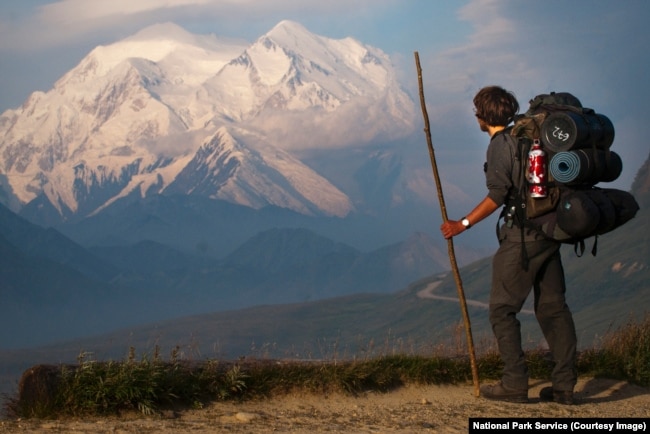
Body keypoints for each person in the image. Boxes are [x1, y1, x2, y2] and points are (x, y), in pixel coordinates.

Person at [440, 86, 577, 405]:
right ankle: (564, 386)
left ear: (482, 116)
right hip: (551, 229)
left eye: (476, 111)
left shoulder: (501, 144)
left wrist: (461, 224)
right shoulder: (530, 135)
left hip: (523, 235)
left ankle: (514, 383)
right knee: (553, 309)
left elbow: (497, 195)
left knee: (502, 309)